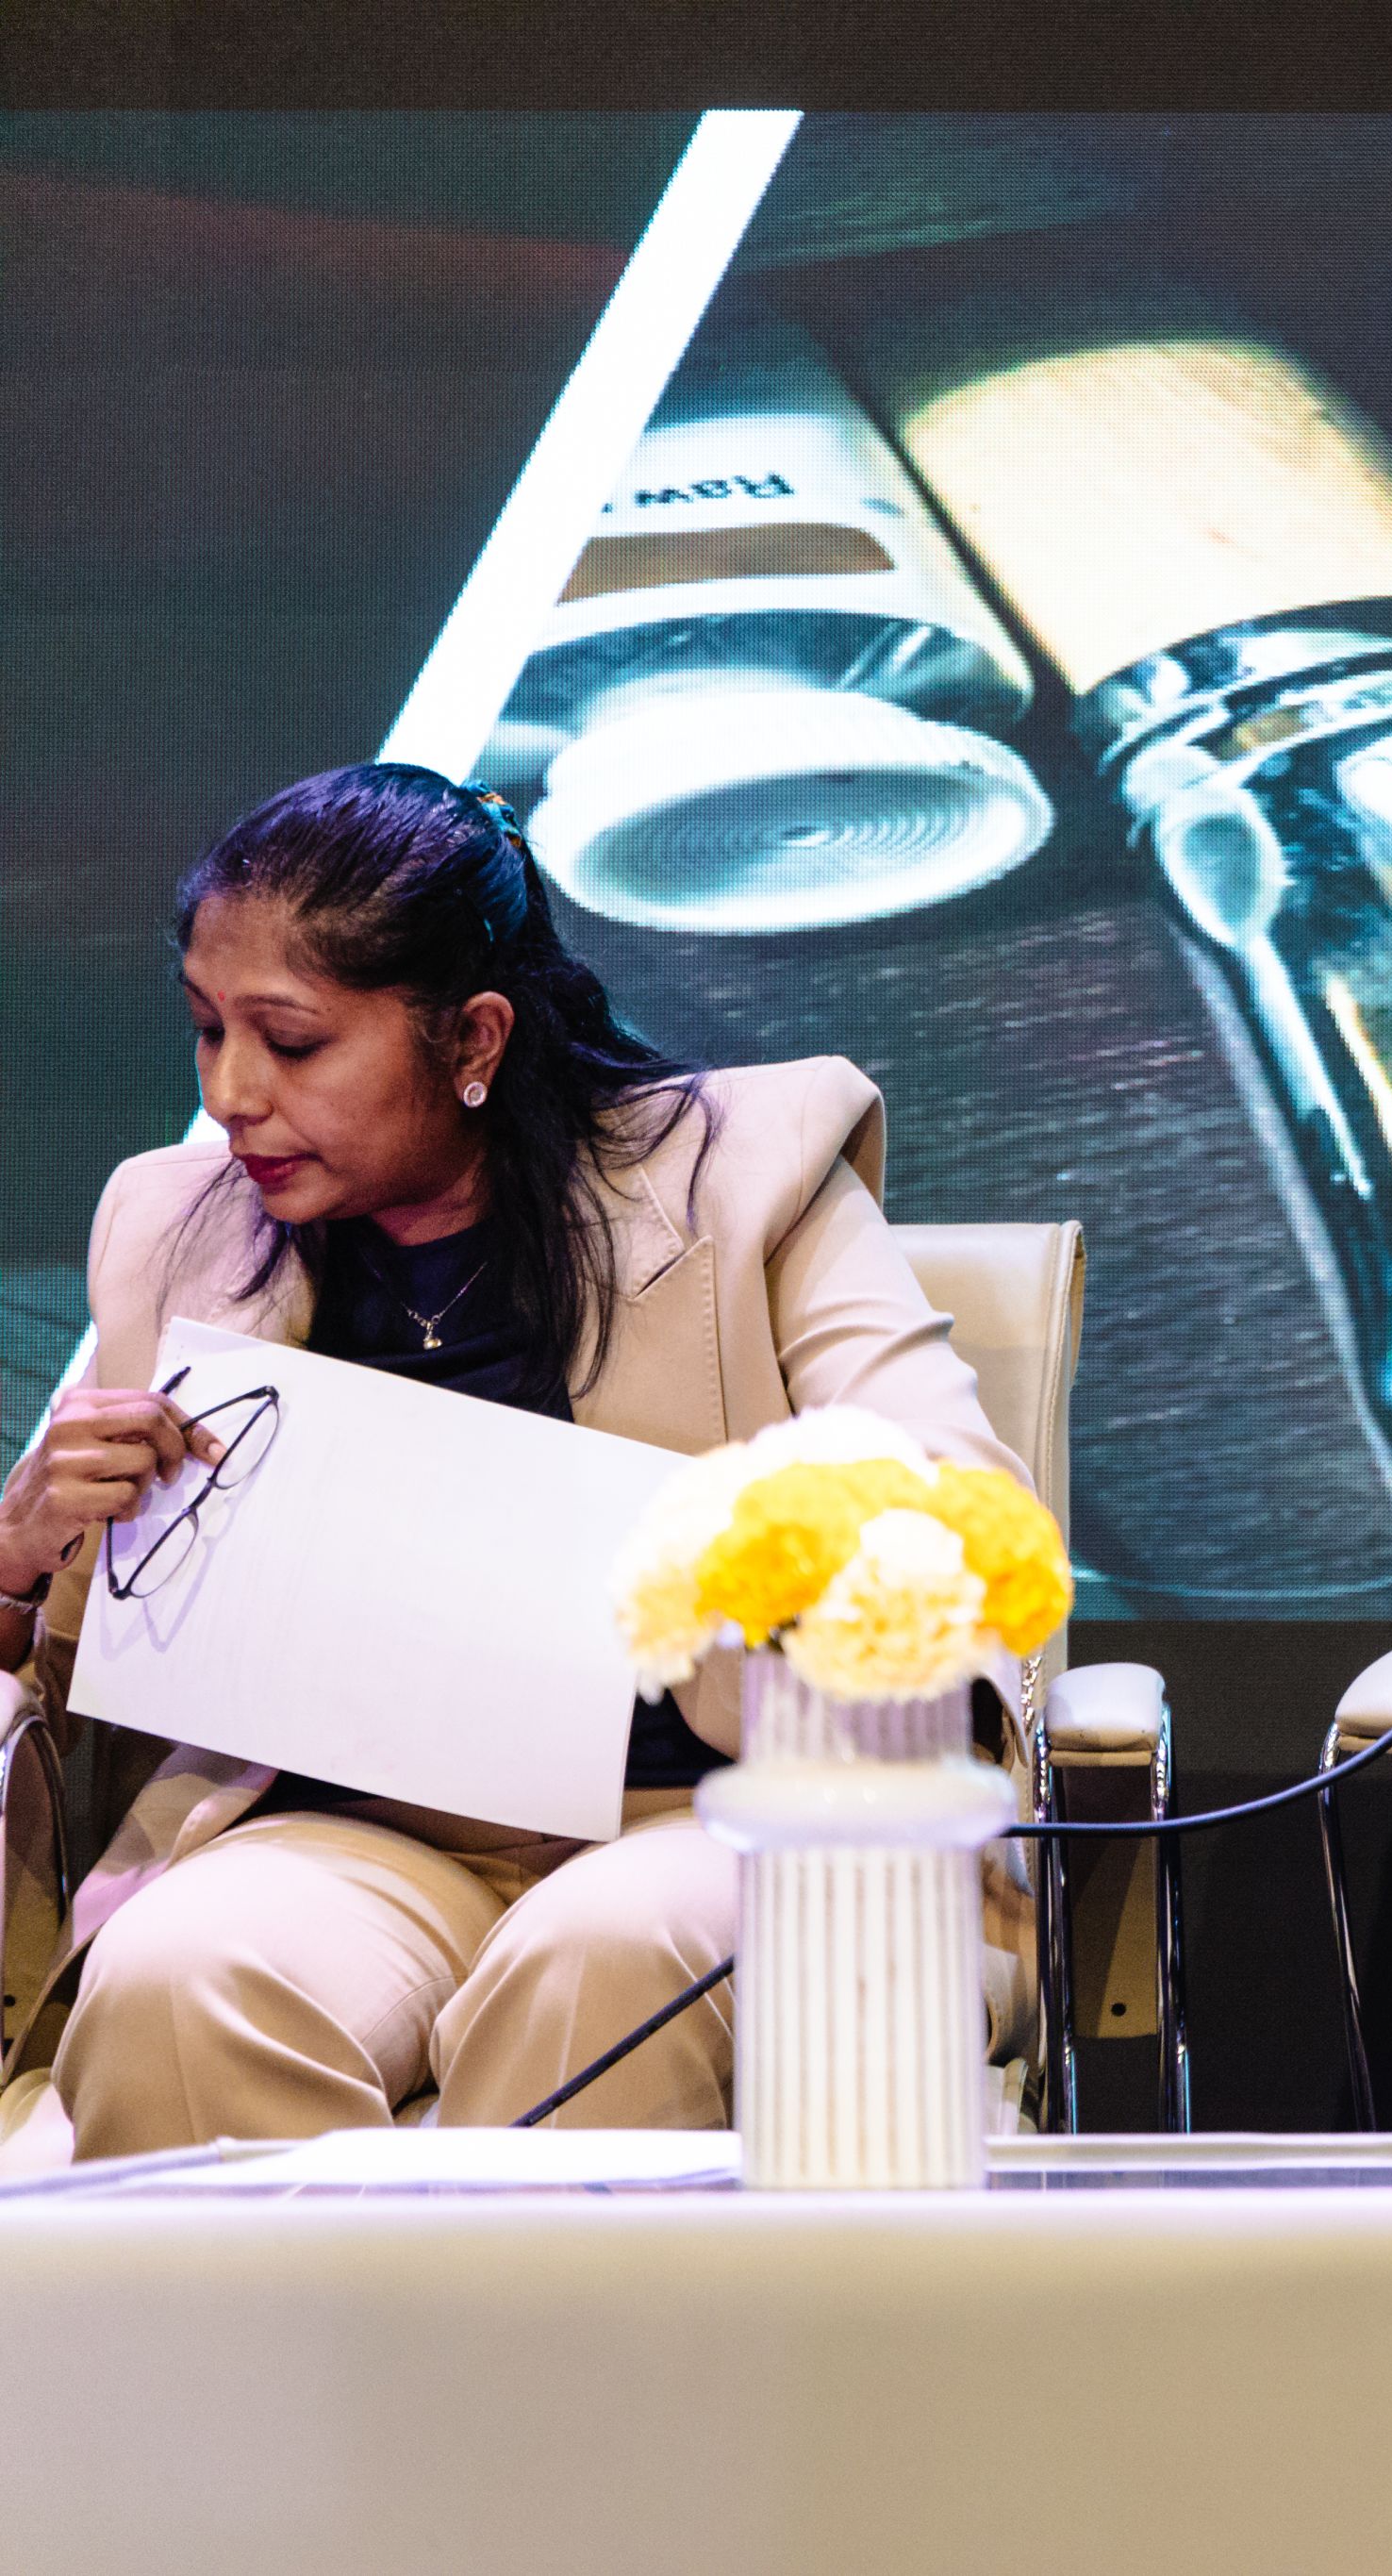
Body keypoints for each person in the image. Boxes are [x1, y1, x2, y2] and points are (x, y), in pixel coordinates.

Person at [0, 764, 1031, 2162]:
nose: (232, 1094)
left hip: (696, 1810)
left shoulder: (746, 1175)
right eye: (205, 1032)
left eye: (291, 1043)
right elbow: (105, 1675)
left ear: (473, 1035)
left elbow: (951, 1519)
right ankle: (274, 2387)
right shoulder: (174, 1231)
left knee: (594, 1964)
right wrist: (22, 1559)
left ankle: (527, 2386)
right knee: (178, 1978)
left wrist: (785, 1553)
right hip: (359, 1832)